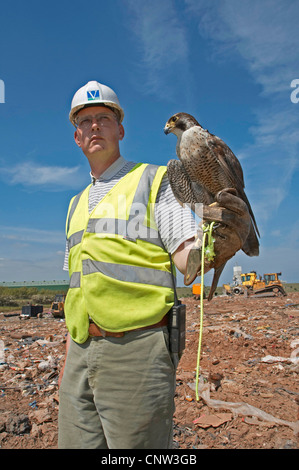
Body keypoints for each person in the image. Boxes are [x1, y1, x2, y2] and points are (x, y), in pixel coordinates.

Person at [58, 81, 251, 449]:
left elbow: (187, 258)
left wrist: (216, 245)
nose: (94, 126)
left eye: (104, 118)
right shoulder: (74, 205)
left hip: (137, 353)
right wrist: (71, 360)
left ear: (120, 130)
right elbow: (77, 288)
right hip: (79, 353)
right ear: (77, 136)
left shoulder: (154, 180)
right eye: (85, 121)